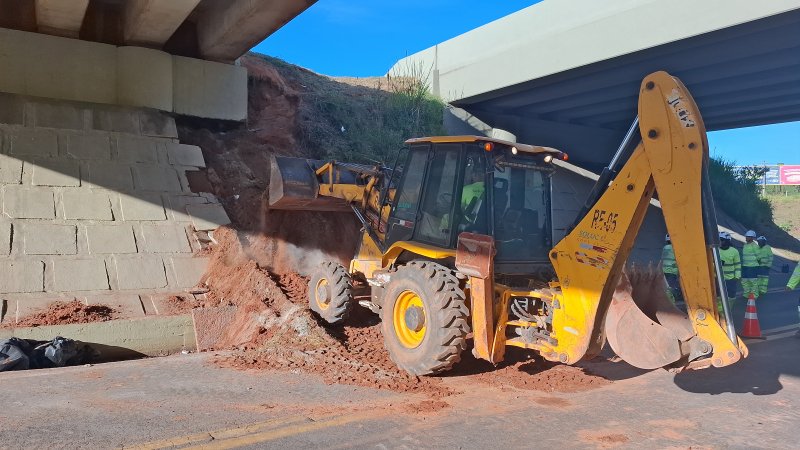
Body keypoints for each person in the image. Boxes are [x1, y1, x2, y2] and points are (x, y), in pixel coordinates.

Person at [718, 232, 741, 300]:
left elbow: (737, 265)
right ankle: (720, 310)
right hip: (718, 279)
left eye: (722, 239)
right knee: (719, 297)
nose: (720, 241)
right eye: (719, 239)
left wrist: (737, 277)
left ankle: (728, 310)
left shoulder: (734, 251)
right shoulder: (716, 250)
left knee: (731, 297)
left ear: (727, 241)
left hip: (730, 279)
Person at [661, 234, 683, 303]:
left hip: (665, 270)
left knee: (668, 286)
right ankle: (675, 301)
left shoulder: (665, 248)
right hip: (672, 271)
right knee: (674, 287)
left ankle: (669, 300)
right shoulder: (675, 248)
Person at [741, 230, 760, 300]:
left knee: (753, 281)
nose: (746, 238)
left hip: (752, 267)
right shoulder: (745, 245)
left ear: (752, 238)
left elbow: (759, 256)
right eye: (746, 236)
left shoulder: (755, 246)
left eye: (748, 237)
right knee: (744, 281)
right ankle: (746, 294)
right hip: (745, 266)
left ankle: (754, 295)